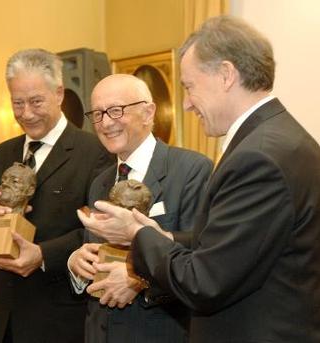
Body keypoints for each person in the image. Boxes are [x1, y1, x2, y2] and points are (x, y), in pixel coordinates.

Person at [78, 15, 320, 343]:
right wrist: (157, 234)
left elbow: (204, 282)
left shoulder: (257, 157)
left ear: (225, 74)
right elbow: (227, 246)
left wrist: (136, 234)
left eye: (190, 86)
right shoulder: (278, 137)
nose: (187, 104)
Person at [0, 49, 113, 343]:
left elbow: (100, 232)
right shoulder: (1, 154)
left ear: (59, 93)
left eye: (36, 101)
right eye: (17, 103)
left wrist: (43, 255)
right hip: (8, 317)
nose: (26, 113)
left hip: (62, 317)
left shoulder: (95, 153)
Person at [68, 73, 213, 343]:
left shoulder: (191, 170)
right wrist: (78, 264)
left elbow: (201, 254)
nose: (106, 123)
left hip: (159, 331)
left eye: (115, 110)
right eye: (97, 114)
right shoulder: (100, 181)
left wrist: (139, 279)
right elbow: (98, 251)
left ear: (148, 112)